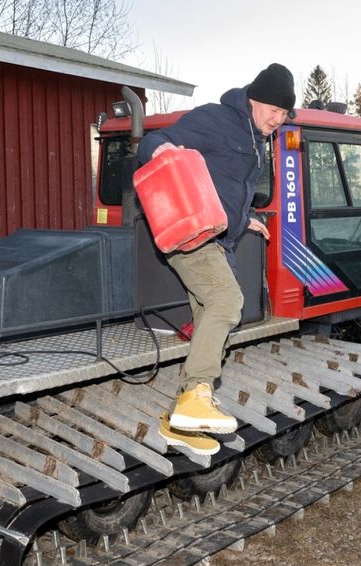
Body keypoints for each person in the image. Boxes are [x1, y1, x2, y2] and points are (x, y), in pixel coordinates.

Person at [137, 63, 296, 456]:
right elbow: (152, 142)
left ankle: (181, 419)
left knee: (213, 318)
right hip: (191, 233)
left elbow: (229, 187)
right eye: (272, 111)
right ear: (253, 98)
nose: (277, 120)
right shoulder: (218, 119)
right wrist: (163, 150)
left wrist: (247, 220)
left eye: (283, 114)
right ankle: (196, 396)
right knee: (228, 303)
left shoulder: (257, 138)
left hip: (218, 238)